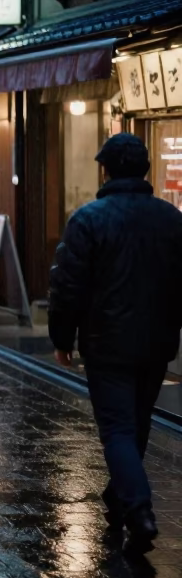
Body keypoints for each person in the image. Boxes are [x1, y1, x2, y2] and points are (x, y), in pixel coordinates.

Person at [49, 134, 182, 555]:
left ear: (105, 170)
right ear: (144, 169)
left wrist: (61, 337)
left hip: (106, 342)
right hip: (157, 339)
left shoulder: (89, 219)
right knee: (138, 421)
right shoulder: (171, 218)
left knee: (119, 428)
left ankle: (139, 510)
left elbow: (68, 286)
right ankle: (117, 493)